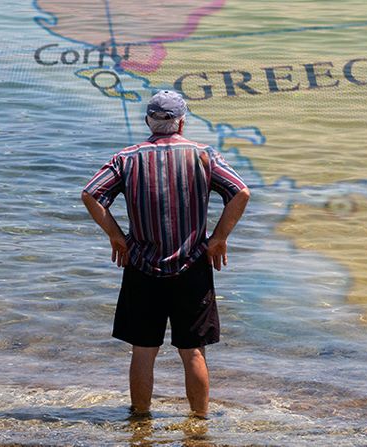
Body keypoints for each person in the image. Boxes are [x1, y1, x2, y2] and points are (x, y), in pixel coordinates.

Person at [81, 90, 250, 418]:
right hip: (192, 267)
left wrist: (117, 237)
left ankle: (140, 419)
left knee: (143, 351)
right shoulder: (203, 155)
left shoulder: (127, 158)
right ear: (182, 122)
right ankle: (200, 422)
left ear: (148, 121)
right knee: (193, 353)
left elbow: (91, 194)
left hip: (142, 267)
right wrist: (218, 238)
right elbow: (240, 192)